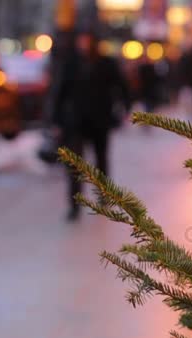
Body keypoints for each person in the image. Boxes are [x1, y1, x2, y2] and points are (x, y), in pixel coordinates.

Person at [51, 31, 130, 221]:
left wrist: (124, 109)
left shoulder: (106, 63)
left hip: (99, 120)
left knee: (101, 160)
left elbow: (121, 86)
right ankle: (75, 204)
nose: (84, 44)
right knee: (75, 165)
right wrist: (56, 120)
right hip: (76, 122)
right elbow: (59, 92)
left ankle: (103, 195)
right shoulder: (70, 64)